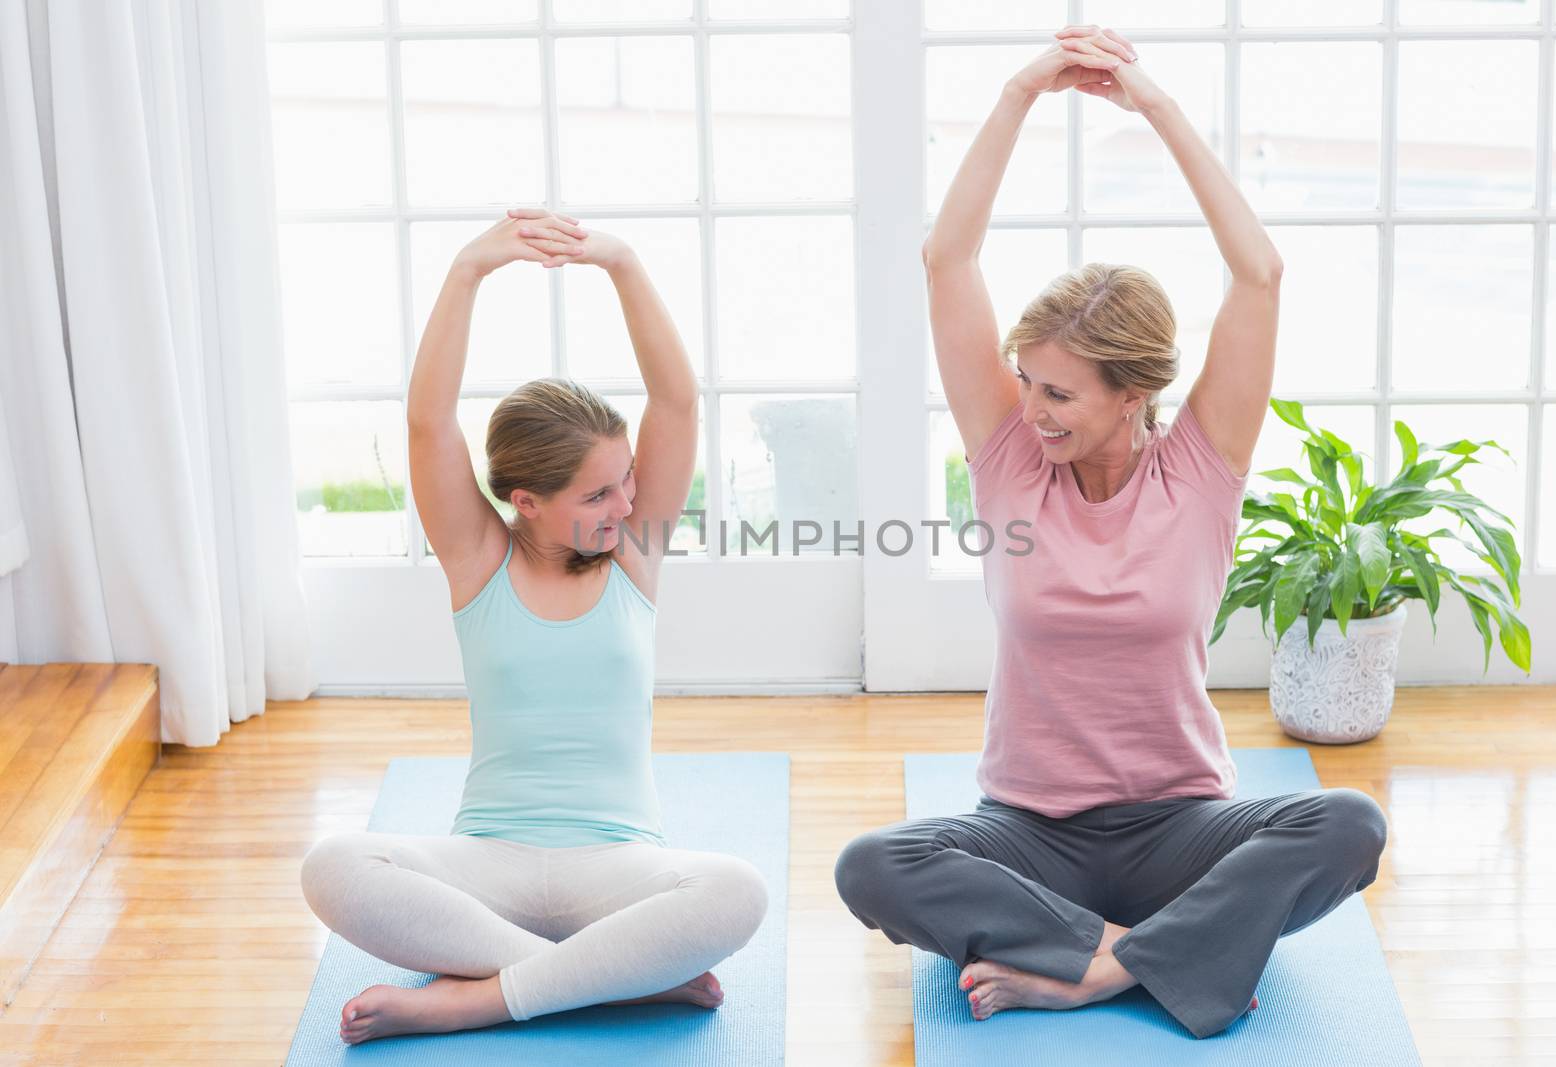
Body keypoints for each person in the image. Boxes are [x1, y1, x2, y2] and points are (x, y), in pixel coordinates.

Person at [833, 25, 1387, 1039]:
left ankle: (1092, 964)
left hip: (1182, 826)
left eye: (1060, 394)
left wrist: (1156, 107)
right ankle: (1162, 952)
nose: (1033, 410)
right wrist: (1019, 90)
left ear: (1132, 393)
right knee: (873, 865)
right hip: (1024, 829)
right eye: (1027, 384)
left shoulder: (1201, 469)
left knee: (1348, 824)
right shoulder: (1008, 460)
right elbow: (945, 256)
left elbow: (1257, 272)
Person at [300, 208, 767, 1045]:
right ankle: (611, 981)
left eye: (627, 482)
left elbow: (677, 399)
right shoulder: (479, 561)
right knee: (330, 864)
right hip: (488, 865)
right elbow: (426, 424)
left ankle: (475, 996)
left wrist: (620, 262)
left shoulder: (631, 552)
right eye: (598, 494)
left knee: (737, 889)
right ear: (525, 501)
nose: (627, 504)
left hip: (620, 865)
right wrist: (469, 269)